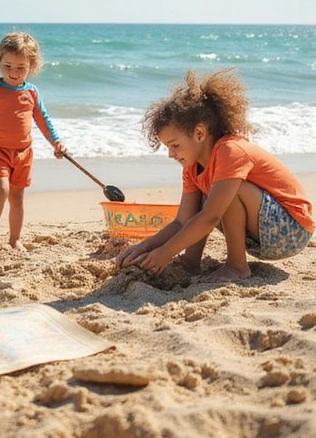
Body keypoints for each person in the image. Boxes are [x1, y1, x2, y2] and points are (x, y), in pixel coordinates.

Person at [116, 69, 314, 283]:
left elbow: (210, 218)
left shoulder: (230, 151)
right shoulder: (191, 168)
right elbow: (182, 221)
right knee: (208, 195)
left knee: (226, 192)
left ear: (199, 133)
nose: (170, 154)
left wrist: (165, 253)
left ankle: (237, 266)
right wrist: (145, 246)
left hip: (292, 230)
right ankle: (191, 262)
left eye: (174, 145)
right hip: (260, 236)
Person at [0, 32, 66, 252]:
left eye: (20, 67)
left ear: (31, 66)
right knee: (1, 191)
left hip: (23, 153)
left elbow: (43, 120)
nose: (13, 72)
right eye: (7, 66)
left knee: (17, 196)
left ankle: (14, 238)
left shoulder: (32, 92)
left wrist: (56, 142)